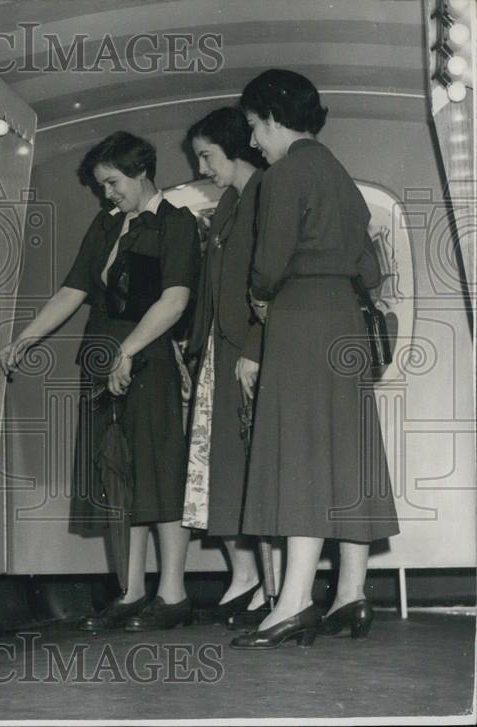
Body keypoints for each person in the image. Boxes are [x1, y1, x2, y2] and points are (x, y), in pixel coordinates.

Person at [0, 131, 199, 631]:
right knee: (114, 476)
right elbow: (72, 290)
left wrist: (128, 351)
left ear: (141, 171)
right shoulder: (106, 227)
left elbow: (174, 300)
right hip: (101, 358)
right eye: (102, 185)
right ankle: (130, 593)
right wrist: (25, 339)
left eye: (112, 183)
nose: (107, 193)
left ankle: (172, 596)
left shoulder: (176, 223)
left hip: (147, 359)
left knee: (158, 473)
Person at [230, 69, 399, 649]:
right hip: (344, 320)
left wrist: (259, 295)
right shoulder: (340, 176)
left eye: (254, 127)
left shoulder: (284, 175)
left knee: (300, 451)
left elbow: (269, 266)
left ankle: (294, 600)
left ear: (274, 118)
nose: (253, 141)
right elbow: (371, 270)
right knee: (346, 454)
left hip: (300, 317)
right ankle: (351, 593)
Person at [182, 107, 271, 628]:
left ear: (235, 147)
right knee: (225, 471)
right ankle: (248, 577)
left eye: (207, 155)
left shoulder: (263, 196)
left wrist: (255, 345)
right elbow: (213, 289)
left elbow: (267, 286)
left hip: (247, 350)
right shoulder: (232, 203)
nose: (202, 166)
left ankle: (264, 584)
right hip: (221, 350)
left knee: (248, 468)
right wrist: (194, 346)